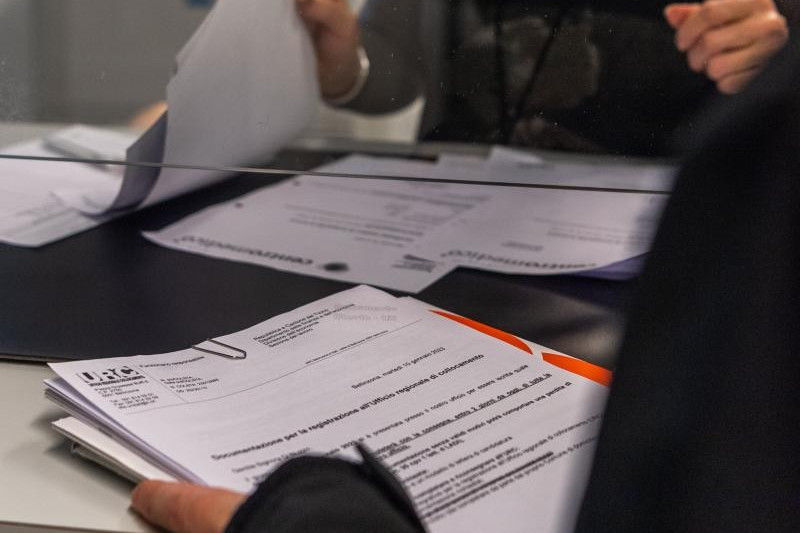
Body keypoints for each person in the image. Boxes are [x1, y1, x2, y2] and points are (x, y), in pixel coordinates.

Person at [296, 0, 791, 155]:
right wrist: (344, 66)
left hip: (660, 235)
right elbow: (401, 74)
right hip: (451, 212)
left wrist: (775, 65)